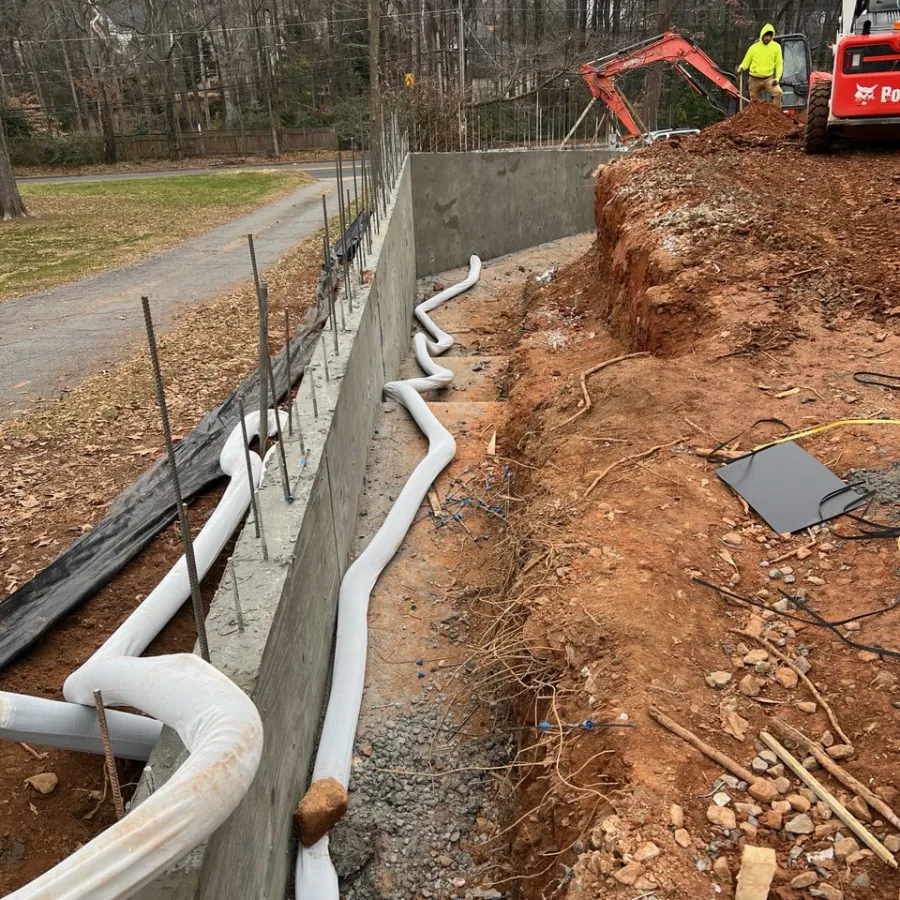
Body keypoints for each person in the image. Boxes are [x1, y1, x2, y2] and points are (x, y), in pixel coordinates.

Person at [738, 24, 784, 108]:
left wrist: (777, 78)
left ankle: (776, 114)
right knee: (755, 104)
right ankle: (757, 119)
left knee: (778, 92)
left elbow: (779, 63)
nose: (768, 38)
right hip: (754, 79)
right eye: (766, 35)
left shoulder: (776, 47)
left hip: (768, 79)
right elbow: (746, 62)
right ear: (762, 35)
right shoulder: (753, 48)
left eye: (770, 36)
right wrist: (741, 67)